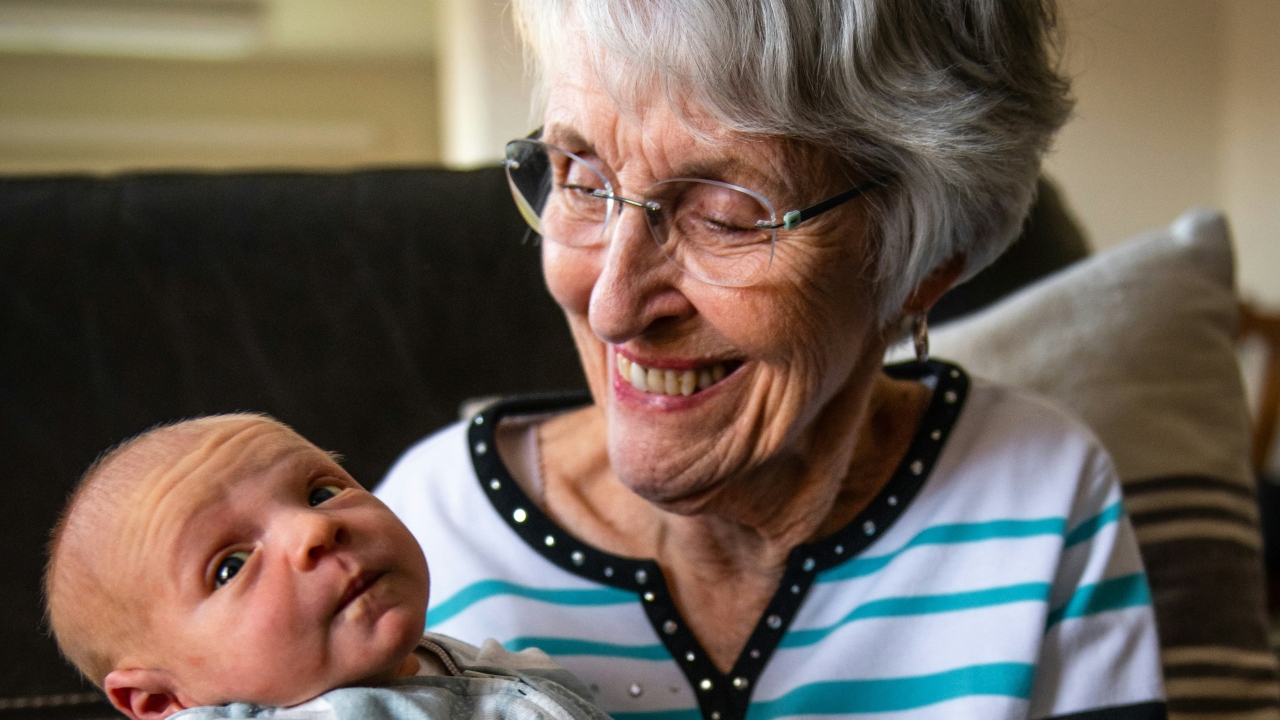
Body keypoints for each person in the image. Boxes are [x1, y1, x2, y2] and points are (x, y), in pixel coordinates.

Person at [375, 1, 1166, 719]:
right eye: (583, 180)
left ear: (921, 268)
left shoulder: (1037, 495)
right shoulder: (413, 540)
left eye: (725, 216)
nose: (612, 304)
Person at [44, 414, 611, 720]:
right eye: (231, 567)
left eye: (319, 493)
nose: (314, 529)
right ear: (162, 703)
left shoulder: (487, 668)